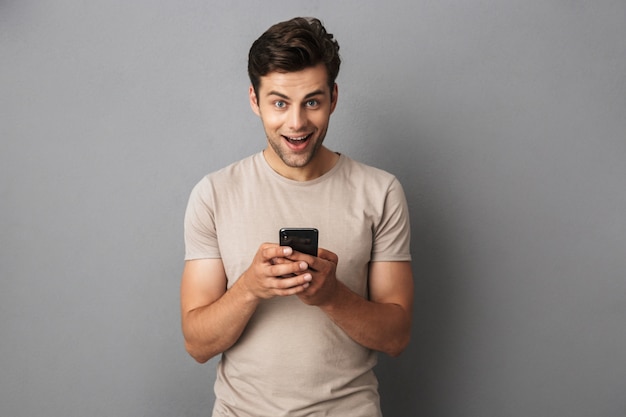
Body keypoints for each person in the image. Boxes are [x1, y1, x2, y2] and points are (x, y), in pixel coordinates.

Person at [180, 17, 414, 417]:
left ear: (333, 97)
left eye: (312, 101)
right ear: (254, 101)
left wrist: (332, 296)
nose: (297, 123)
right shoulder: (214, 194)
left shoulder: (381, 192)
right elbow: (197, 345)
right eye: (279, 103)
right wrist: (250, 287)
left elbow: (396, 337)